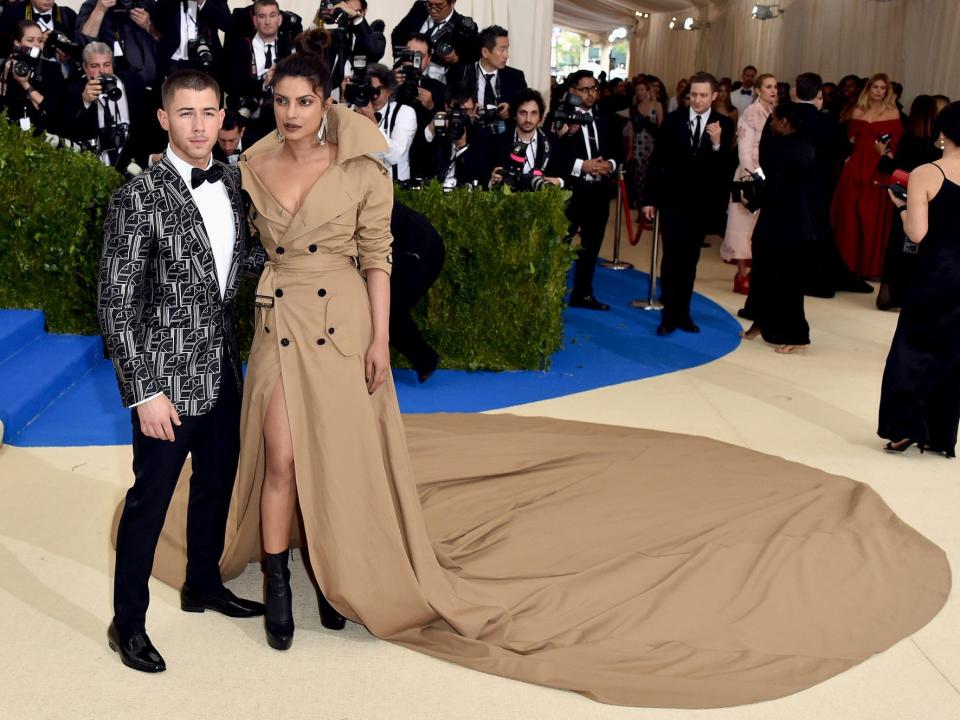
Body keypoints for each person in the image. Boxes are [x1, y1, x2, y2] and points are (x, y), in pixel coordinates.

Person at [97, 69, 266, 673]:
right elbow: (116, 303)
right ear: (165, 119)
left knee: (215, 488)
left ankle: (203, 584)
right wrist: (144, 392)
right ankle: (129, 623)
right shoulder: (137, 197)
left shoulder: (231, 183)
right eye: (186, 113)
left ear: (224, 118)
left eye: (210, 112)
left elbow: (245, 262)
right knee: (150, 504)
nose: (200, 125)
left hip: (222, 372)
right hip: (165, 386)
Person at [880, 101, 960, 458]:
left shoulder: (927, 173)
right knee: (952, 357)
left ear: (943, 133)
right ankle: (940, 436)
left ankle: (905, 429)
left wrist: (899, 208)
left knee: (911, 351)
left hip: (935, 275)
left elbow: (917, 233)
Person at [643, 71, 735, 335]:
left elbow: (725, 171)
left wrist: (718, 144)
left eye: (703, 95)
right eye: (693, 94)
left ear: (714, 96)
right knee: (671, 257)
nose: (697, 100)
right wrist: (649, 198)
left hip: (701, 204)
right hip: (672, 201)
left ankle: (684, 312)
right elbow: (657, 161)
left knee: (690, 260)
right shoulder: (673, 121)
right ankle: (669, 314)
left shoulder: (724, 125)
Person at [739, 103, 817, 353]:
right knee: (767, 276)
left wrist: (751, 200)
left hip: (781, 223)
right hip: (794, 223)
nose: (770, 123)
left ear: (784, 122)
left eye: (774, 119)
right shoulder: (808, 148)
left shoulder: (780, 149)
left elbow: (771, 186)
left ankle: (796, 335)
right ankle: (762, 321)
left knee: (781, 280)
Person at [788, 72, 874, 299]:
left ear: (795, 92)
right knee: (817, 230)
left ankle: (800, 276)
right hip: (817, 185)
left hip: (787, 184)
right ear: (818, 94)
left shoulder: (782, 116)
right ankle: (820, 279)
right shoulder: (826, 121)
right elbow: (839, 150)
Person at [876, 94, 949, 310]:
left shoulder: (909, 139)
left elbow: (895, 170)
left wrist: (882, 154)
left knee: (901, 247)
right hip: (930, 201)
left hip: (904, 197)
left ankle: (893, 296)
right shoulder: (939, 146)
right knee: (918, 249)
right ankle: (911, 295)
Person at [830, 73, 904, 278]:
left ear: (887, 91)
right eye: (875, 87)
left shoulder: (892, 111)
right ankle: (846, 265)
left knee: (871, 216)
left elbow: (894, 146)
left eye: (883, 88)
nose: (879, 92)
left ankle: (869, 267)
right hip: (855, 166)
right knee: (848, 214)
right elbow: (850, 139)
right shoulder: (858, 110)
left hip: (878, 167)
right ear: (868, 89)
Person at [558, 69, 619, 311]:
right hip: (572, 191)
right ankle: (552, 291)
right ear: (572, 92)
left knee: (592, 245)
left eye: (593, 88)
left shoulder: (606, 117)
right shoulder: (561, 117)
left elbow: (616, 150)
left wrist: (608, 165)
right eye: (584, 89)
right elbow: (556, 154)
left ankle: (583, 293)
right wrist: (583, 165)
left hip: (599, 192)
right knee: (562, 242)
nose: (590, 94)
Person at [721, 73, 776, 294]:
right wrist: (758, 178)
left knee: (759, 228)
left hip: (766, 177)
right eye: (768, 87)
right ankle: (741, 274)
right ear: (758, 90)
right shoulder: (749, 114)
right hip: (746, 177)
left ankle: (754, 273)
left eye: (775, 87)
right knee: (741, 227)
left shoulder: (774, 113)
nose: (773, 91)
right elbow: (744, 154)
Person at [61, 40, 147, 169]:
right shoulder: (74, 90)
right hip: (96, 162)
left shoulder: (132, 82)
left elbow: (146, 122)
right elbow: (69, 130)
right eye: (95, 66)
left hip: (133, 158)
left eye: (106, 65)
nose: (102, 71)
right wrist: (85, 101)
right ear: (85, 67)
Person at [221, 0, 292, 144]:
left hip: (283, 119)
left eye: (272, 16)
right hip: (249, 122)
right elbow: (232, 85)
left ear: (279, 19)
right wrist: (262, 84)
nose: (267, 21)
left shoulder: (289, 48)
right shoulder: (240, 47)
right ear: (255, 20)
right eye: (262, 16)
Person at [389, 201, 444, 382]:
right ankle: (425, 360)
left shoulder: (368, 202)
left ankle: (426, 360)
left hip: (422, 252)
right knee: (388, 312)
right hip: (415, 248)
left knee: (389, 311)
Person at [350, 62, 418, 181]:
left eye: (377, 90)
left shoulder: (404, 113)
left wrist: (371, 120)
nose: (373, 95)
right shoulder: (350, 112)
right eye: (369, 90)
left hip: (393, 189)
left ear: (389, 89)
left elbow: (394, 156)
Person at [489, 88, 567, 189]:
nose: (528, 119)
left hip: (542, 201)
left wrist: (557, 182)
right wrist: (492, 182)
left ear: (540, 117)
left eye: (534, 113)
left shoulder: (553, 141)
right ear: (515, 115)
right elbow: (485, 178)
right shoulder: (497, 142)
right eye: (523, 113)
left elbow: (565, 176)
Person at [447, 25, 526, 121]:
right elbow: (449, 107)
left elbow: (525, 109)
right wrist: (466, 114)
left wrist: (512, 110)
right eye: (502, 49)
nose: (507, 55)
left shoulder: (516, 77)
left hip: (503, 133)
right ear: (485, 52)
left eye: (507, 49)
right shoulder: (460, 73)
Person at [78, 0, 161, 90]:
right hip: (111, 85)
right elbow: (84, 42)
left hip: (150, 83)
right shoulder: (92, 6)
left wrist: (149, 26)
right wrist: (100, 10)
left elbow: (168, 43)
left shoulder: (147, 4)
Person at [390, 0, 478, 84]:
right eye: (429, 4)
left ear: (452, 2)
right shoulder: (420, 8)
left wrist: (455, 59)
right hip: (405, 77)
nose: (433, 10)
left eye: (439, 6)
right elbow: (397, 34)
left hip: (438, 86)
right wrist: (401, 58)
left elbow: (471, 58)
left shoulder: (463, 26)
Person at [1, 19, 64, 134]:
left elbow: (52, 109)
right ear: (17, 42)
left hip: (41, 133)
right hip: (8, 133)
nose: (36, 45)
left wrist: (25, 84)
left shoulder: (52, 68)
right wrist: (5, 74)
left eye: (40, 41)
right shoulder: (6, 66)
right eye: (30, 40)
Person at [320, 0, 385, 101]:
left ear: (364, 12)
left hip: (360, 100)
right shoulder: (331, 36)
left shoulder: (375, 37)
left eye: (355, 11)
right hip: (331, 99)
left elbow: (374, 50)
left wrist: (356, 17)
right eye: (346, 11)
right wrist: (321, 15)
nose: (349, 15)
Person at [154, 0, 230, 81]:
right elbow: (158, 24)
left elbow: (228, 24)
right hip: (174, 61)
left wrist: (202, 2)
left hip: (205, 58)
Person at [623, 77, 662, 214]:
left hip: (653, 144)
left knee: (652, 177)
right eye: (637, 90)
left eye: (642, 89)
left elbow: (661, 128)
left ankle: (651, 210)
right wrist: (630, 151)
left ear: (647, 90)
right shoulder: (634, 108)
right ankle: (641, 209)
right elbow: (632, 130)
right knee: (639, 178)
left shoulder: (657, 105)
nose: (639, 92)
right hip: (639, 145)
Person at [0, 0, 78, 58]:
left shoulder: (68, 15)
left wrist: (66, 54)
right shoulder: (13, 12)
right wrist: (38, 40)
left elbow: (79, 49)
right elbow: (3, 47)